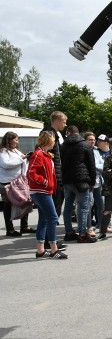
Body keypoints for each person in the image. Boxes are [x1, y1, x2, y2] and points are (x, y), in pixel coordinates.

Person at [28, 131, 67, 259]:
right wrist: (44, 182)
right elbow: (31, 173)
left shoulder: (44, 154)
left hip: (44, 191)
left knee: (44, 219)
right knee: (53, 218)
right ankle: (53, 249)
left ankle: (40, 250)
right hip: (41, 191)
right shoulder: (39, 154)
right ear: (48, 141)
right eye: (53, 140)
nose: (55, 142)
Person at [61, 125, 97, 244]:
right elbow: (91, 165)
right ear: (78, 133)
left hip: (67, 180)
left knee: (68, 207)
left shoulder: (63, 145)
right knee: (83, 207)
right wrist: (92, 181)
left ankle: (69, 232)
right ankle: (82, 234)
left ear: (68, 133)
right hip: (81, 181)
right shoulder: (85, 145)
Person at [0, 131, 34, 236]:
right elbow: (6, 164)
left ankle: (24, 227)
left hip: (20, 181)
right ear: (9, 140)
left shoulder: (15, 151)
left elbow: (22, 162)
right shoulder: (3, 151)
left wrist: (26, 158)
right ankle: (10, 230)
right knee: (8, 205)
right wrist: (22, 158)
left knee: (26, 201)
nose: (17, 142)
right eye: (15, 139)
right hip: (8, 182)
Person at [40, 111, 66, 216]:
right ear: (57, 121)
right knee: (55, 205)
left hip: (56, 174)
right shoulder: (48, 134)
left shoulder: (55, 133)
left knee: (57, 203)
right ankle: (50, 231)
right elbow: (48, 156)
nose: (65, 124)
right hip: (53, 175)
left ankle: (50, 229)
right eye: (64, 122)